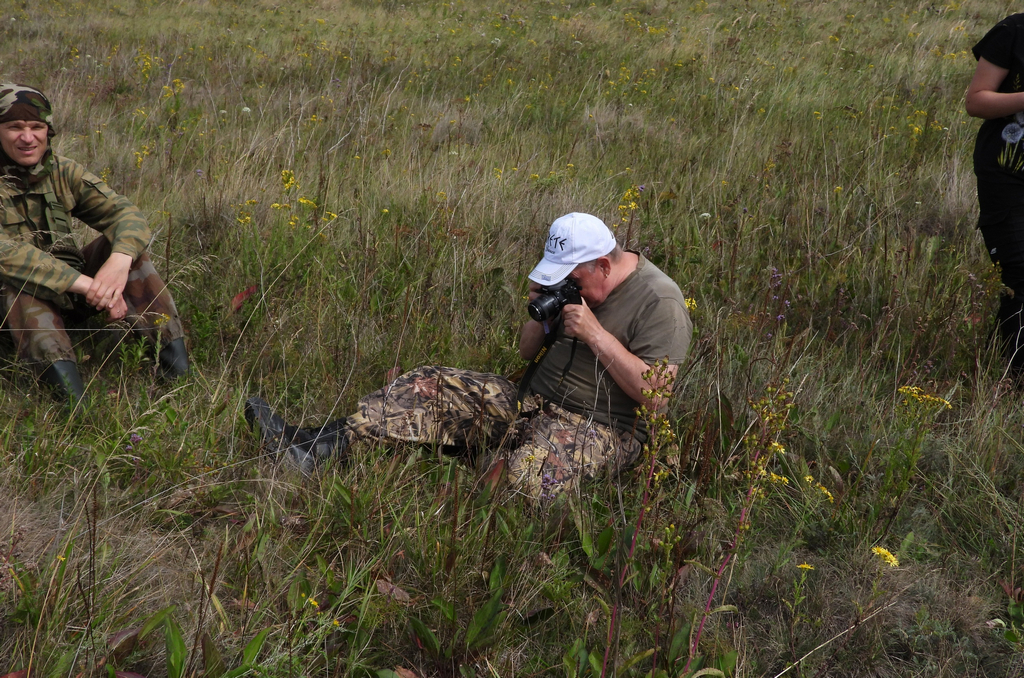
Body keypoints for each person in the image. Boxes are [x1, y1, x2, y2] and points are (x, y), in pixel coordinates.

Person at [246, 212, 692, 500]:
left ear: (604, 266)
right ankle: (315, 446)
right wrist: (543, 310)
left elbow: (657, 398)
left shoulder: (660, 302)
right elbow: (527, 351)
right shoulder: (577, 285)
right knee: (428, 385)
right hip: (529, 402)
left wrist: (596, 335)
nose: (568, 288)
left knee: (522, 482)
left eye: (572, 279)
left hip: (600, 427)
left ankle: (476, 469)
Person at [0, 84, 188, 405]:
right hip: (11, 307)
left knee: (132, 255)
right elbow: (8, 255)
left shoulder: (61, 171)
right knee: (21, 286)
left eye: (36, 127)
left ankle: (177, 376)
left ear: (48, 130)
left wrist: (118, 263)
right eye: (15, 127)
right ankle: (73, 406)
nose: (28, 137)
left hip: (67, 295)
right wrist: (91, 286)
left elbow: (124, 213)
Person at [966, 14, 1024, 378]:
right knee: (1021, 275)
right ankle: (1013, 379)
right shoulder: (1014, 31)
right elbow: (976, 101)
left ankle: (999, 364)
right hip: (1007, 174)